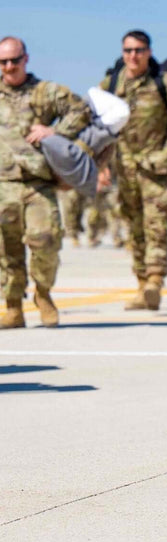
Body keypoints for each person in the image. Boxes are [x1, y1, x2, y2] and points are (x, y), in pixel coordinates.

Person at [100, 29, 167, 311]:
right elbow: (100, 130)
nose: (133, 56)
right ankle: (141, 284)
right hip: (126, 168)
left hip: (157, 165)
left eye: (139, 50)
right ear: (123, 53)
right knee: (134, 228)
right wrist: (100, 166)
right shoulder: (110, 84)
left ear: (149, 52)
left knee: (156, 224)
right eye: (128, 51)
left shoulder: (166, 84)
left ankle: (155, 281)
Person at [0, 36, 91, 329]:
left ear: (26, 59)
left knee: (46, 241)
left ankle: (43, 294)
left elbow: (81, 111)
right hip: (3, 184)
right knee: (6, 249)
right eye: (3, 62)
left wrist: (54, 131)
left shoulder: (46, 92)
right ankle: (13, 307)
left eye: (15, 60)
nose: (10, 66)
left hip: (38, 184)